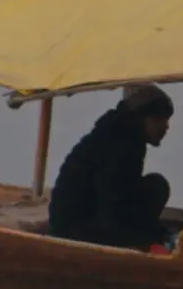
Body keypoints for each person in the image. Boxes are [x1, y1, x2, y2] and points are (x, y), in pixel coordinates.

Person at [47, 83, 175, 250]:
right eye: (159, 119)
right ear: (142, 117)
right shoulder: (119, 146)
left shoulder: (124, 138)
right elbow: (111, 213)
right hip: (74, 231)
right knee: (157, 187)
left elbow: (122, 198)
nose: (165, 126)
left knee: (156, 185)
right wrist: (149, 240)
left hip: (85, 223)